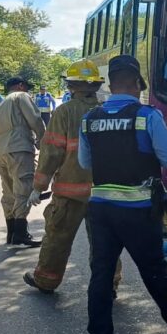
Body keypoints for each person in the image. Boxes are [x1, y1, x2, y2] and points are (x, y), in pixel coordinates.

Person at [79, 54, 167, 334]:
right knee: (153, 268)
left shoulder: (90, 118)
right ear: (136, 84)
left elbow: (85, 164)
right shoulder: (147, 116)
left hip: (101, 209)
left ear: (109, 83)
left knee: (101, 274)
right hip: (138, 209)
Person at [23, 60, 123, 294]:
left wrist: (38, 187)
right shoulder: (111, 110)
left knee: (58, 237)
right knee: (105, 242)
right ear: (96, 85)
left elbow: (51, 153)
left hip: (70, 193)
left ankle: (46, 280)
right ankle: (110, 284)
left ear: (70, 85)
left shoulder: (64, 112)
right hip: (105, 192)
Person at [0, 76, 45, 247]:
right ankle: (21, 233)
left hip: (0, 150)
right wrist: (42, 139)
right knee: (23, 187)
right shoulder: (21, 97)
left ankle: (12, 232)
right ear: (21, 86)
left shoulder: (1, 104)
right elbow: (35, 119)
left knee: (8, 190)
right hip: (18, 147)